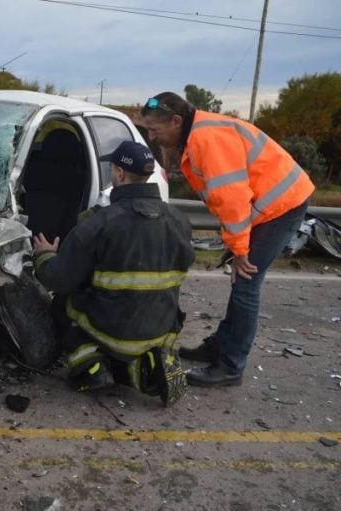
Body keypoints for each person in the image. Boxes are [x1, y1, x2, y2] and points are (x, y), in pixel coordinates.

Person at [140, 92, 315, 387]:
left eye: (155, 130)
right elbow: (225, 200)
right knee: (241, 280)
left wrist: (241, 250)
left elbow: (232, 199)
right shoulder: (197, 134)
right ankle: (222, 345)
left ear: (176, 121)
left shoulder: (206, 141)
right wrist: (236, 244)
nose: (152, 137)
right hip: (270, 204)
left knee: (247, 282)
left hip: (283, 205)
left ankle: (231, 365)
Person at [33, 140, 195, 406]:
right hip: (162, 325)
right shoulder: (179, 219)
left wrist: (44, 256)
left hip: (114, 329)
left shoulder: (100, 223)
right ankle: (147, 365)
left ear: (119, 174)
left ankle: (92, 367)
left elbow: (59, 280)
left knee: (63, 305)